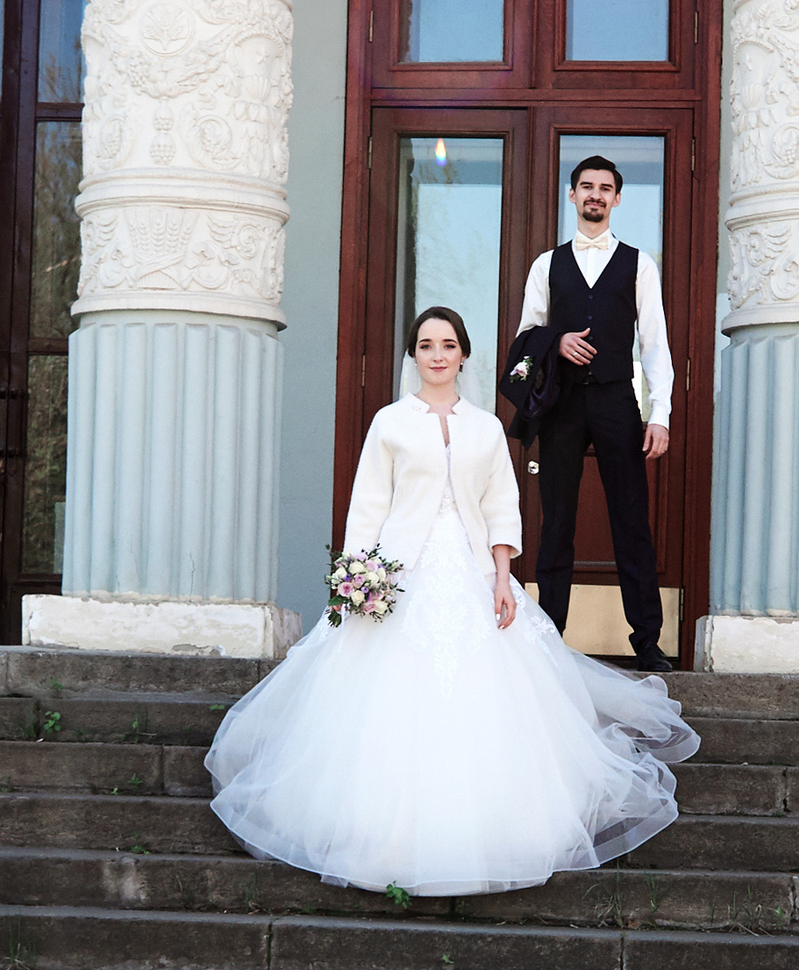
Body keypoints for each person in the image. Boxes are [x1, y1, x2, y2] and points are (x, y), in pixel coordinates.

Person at [205, 304, 697, 898]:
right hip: (397, 573)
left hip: (470, 569)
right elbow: (368, 505)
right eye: (426, 344)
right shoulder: (389, 422)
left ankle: (493, 828)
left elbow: (500, 505)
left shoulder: (486, 427)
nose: (437, 354)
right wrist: (360, 577)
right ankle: (377, 834)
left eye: (448, 344)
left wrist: (501, 575)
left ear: (463, 355)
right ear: (413, 355)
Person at [516, 153, 676, 671]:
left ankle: (647, 640)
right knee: (556, 518)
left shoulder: (639, 263)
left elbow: (655, 343)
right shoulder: (547, 264)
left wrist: (661, 413)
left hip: (615, 399)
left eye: (605, 188)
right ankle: (549, 634)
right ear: (572, 195)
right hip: (562, 403)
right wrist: (556, 342)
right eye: (587, 186)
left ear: (617, 199)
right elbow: (524, 337)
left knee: (631, 519)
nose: (595, 195)